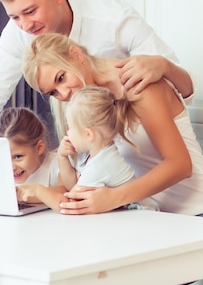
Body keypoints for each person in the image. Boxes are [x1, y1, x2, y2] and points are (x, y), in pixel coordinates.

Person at [0, 0, 195, 137]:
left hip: (144, 142)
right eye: (14, 17)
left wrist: (163, 66)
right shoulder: (18, 33)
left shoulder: (114, 19)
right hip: (86, 151)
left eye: (30, 11)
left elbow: (185, 93)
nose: (25, 25)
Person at [22, 32, 203, 220]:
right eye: (53, 92)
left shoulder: (137, 83)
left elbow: (181, 165)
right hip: (159, 221)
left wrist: (112, 198)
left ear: (77, 55)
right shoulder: (89, 107)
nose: (64, 93)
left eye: (61, 78)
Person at [17, 85, 159, 212]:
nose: (68, 133)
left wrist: (38, 191)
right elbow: (72, 184)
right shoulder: (89, 154)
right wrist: (62, 157)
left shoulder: (101, 165)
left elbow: (70, 205)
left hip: (142, 216)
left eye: (71, 128)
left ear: (88, 134)